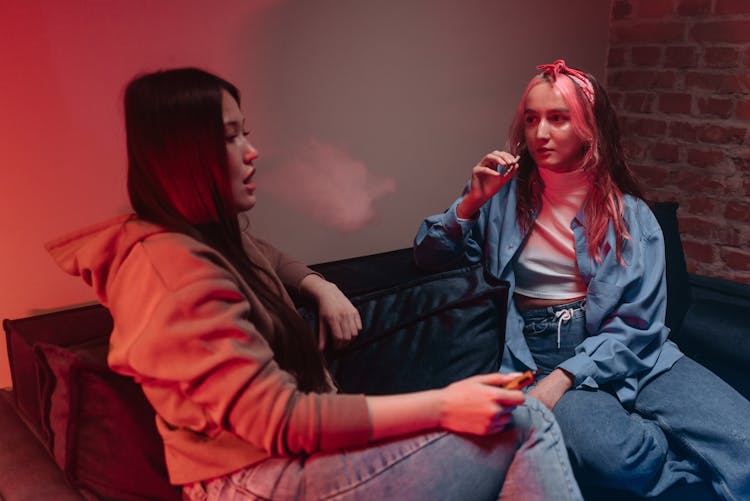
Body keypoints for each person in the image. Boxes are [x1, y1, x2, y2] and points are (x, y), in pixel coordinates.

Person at [45, 67, 582, 501]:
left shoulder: (203, 239)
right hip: (255, 481)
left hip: (290, 464)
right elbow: (279, 417)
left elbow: (266, 258)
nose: (251, 152)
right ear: (185, 155)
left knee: (527, 422)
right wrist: (443, 404)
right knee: (527, 419)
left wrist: (318, 286)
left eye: (245, 133)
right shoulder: (169, 270)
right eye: (231, 138)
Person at [413, 59, 750, 500]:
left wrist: (568, 378)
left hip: (634, 353)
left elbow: (635, 326)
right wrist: (470, 203)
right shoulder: (502, 196)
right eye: (531, 119)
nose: (540, 133)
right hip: (543, 357)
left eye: (558, 118)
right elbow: (429, 256)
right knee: (617, 457)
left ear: (590, 127)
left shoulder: (630, 215)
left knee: (743, 440)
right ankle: (690, 477)